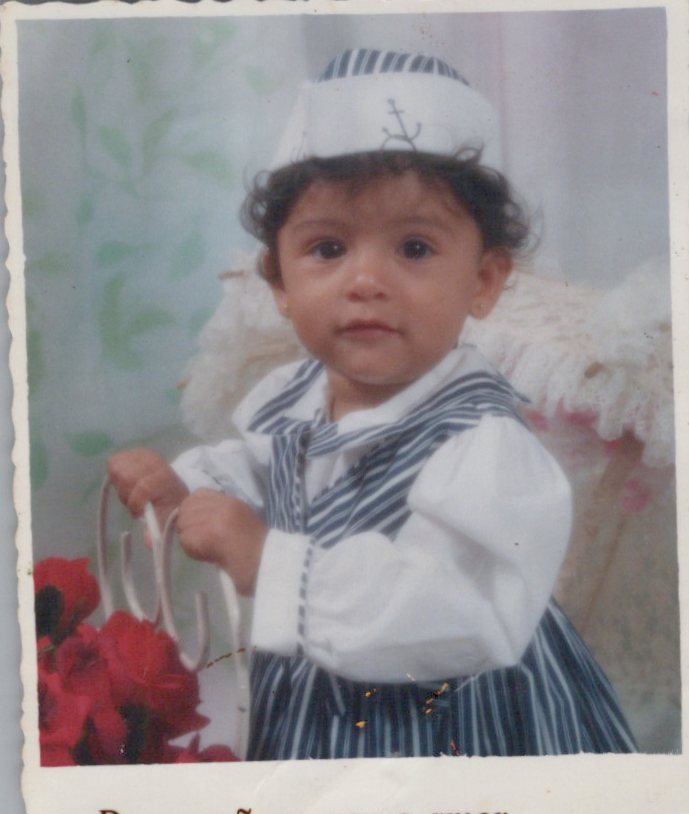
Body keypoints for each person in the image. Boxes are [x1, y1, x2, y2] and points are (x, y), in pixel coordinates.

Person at [108, 48, 636, 759]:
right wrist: (185, 489)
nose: (365, 281)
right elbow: (265, 471)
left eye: (413, 248)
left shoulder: (481, 443)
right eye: (328, 248)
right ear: (280, 283)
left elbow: (459, 608)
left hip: (455, 722)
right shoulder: (296, 400)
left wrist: (270, 561)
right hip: (319, 702)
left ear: (483, 281)